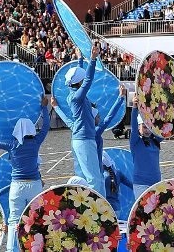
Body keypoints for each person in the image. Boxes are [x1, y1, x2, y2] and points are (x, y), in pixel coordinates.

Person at [4, 96, 49, 252]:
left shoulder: (12, 145)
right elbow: (45, 127)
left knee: (13, 221)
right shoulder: (36, 142)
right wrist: (44, 108)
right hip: (35, 186)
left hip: (17, 186)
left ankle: (12, 250)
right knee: (36, 220)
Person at [64, 45, 106, 196]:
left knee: (86, 178)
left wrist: (80, 59)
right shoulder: (77, 97)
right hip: (84, 139)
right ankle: (100, 211)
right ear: (78, 83)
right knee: (95, 180)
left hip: (81, 139)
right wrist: (93, 59)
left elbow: (79, 78)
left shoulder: (73, 93)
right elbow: (87, 80)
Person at [51, 84, 127, 165]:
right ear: (92, 118)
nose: (100, 118)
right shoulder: (97, 130)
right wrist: (121, 97)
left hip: (82, 165)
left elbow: (66, 120)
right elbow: (110, 115)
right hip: (95, 165)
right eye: (98, 116)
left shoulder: (78, 128)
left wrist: (56, 107)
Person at [130, 95, 162, 198]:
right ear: (139, 128)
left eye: (149, 127)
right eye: (144, 127)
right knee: (142, 211)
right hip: (141, 184)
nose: (147, 130)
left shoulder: (156, 141)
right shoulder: (136, 142)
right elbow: (133, 127)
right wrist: (135, 108)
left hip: (156, 182)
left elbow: (164, 129)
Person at [102, 151, 133, 219]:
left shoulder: (101, 177)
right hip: (116, 208)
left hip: (104, 210)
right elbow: (131, 185)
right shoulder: (118, 173)